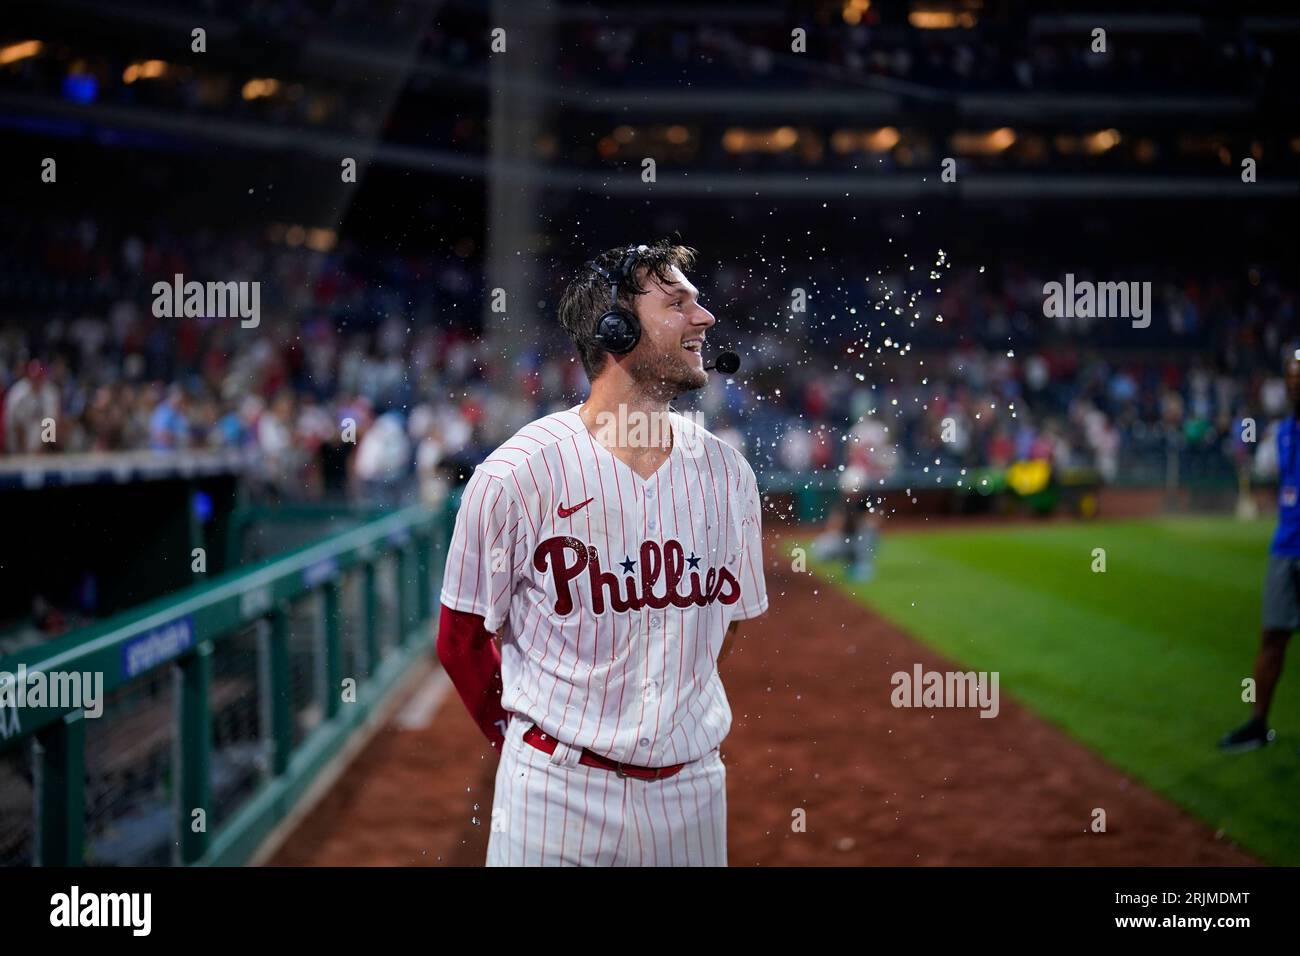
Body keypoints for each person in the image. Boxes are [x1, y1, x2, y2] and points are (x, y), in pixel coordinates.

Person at [437, 240, 768, 866]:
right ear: (614, 330)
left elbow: (720, 631)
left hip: (692, 792)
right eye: (677, 304)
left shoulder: (730, 475)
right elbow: (460, 639)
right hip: (554, 795)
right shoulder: (518, 474)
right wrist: (520, 739)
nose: (705, 318)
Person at [1218, 353, 1300, 752]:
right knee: (1272, 636)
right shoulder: (1281, 433)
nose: (1294, 385)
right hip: (1285, 547)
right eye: (1291, 378)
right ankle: (1257, 723)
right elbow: (1267, 471)